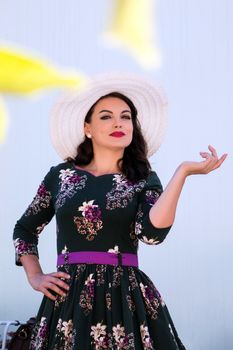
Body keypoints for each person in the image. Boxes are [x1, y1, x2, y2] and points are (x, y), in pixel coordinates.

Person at [13, 72, 227, 350]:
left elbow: (151, 235)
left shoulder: (143, 178)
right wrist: (35, 276)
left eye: (126, 117)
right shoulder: (60, 176)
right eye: (106, 116)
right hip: (68, 300)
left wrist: (183, 172)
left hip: (126, 298)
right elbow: (25, 229)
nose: (118, 123)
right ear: (87, 127)